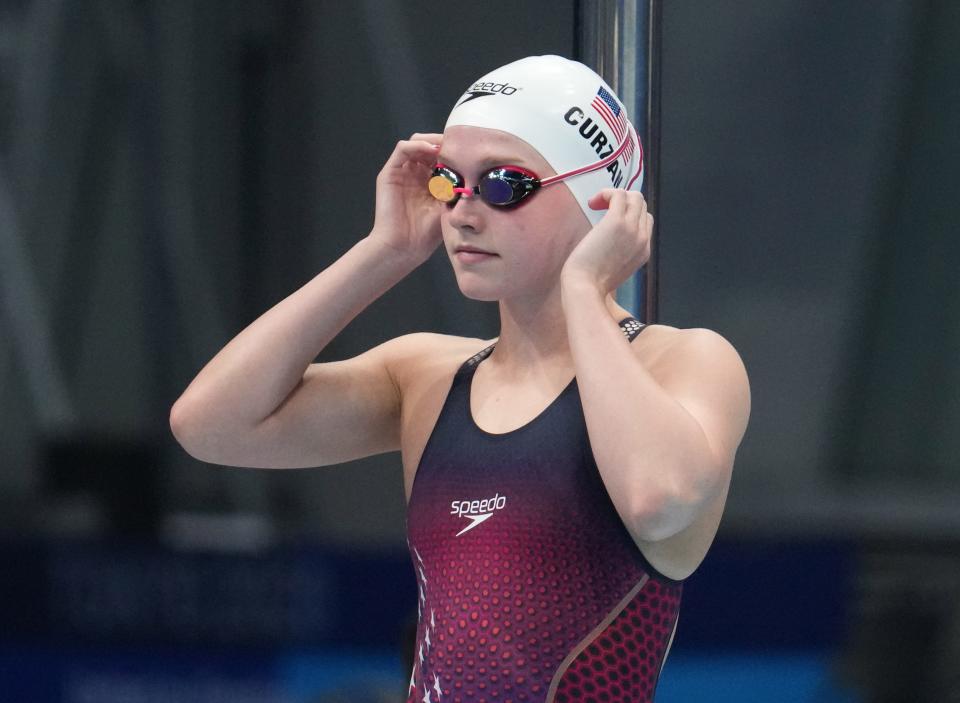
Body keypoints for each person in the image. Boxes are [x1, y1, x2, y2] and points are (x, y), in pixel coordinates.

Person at [170, 55, 750, 703]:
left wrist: (586, 290)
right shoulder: (428, 377)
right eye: (449, 182)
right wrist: (383, 251)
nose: (465, 213)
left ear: (603, 198)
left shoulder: (683, 362)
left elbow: (659, 497)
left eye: (504, 185)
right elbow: (210, 426)